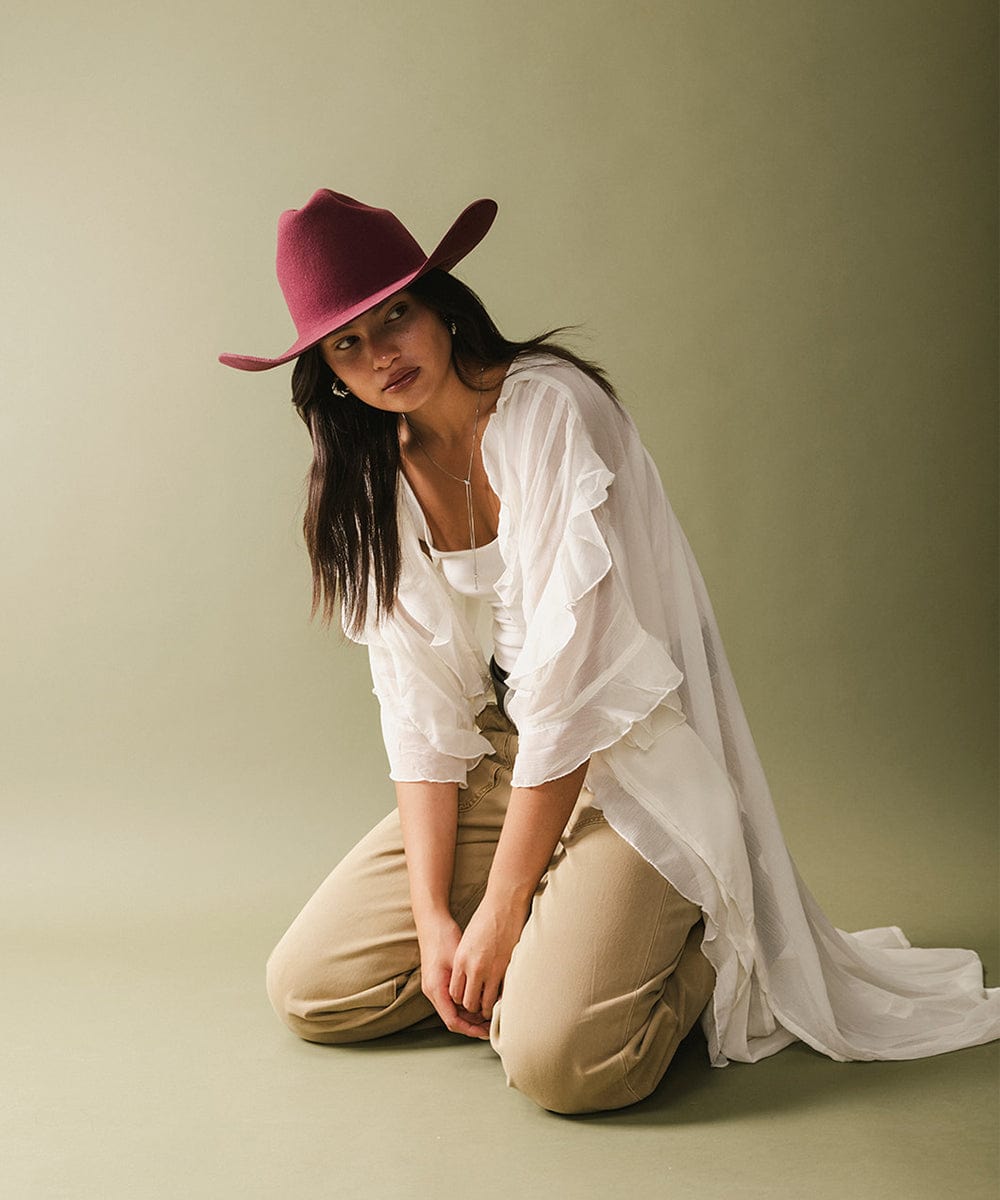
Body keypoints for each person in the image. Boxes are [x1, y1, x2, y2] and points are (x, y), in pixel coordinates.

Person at [220, 189, 999, 1114]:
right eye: (346, 343)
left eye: (396, 315)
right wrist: (435, 919)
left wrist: (503, 913)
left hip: (623, 754)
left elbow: (575, 687)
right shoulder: (374, 468)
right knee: (309, 988)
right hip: (501, 764)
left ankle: (711, 933)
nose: (381, 353)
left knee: (559, 1064)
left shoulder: (551, 411)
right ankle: (556, 930)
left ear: (442, 306)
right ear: (325, 372)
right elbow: (421, 709)